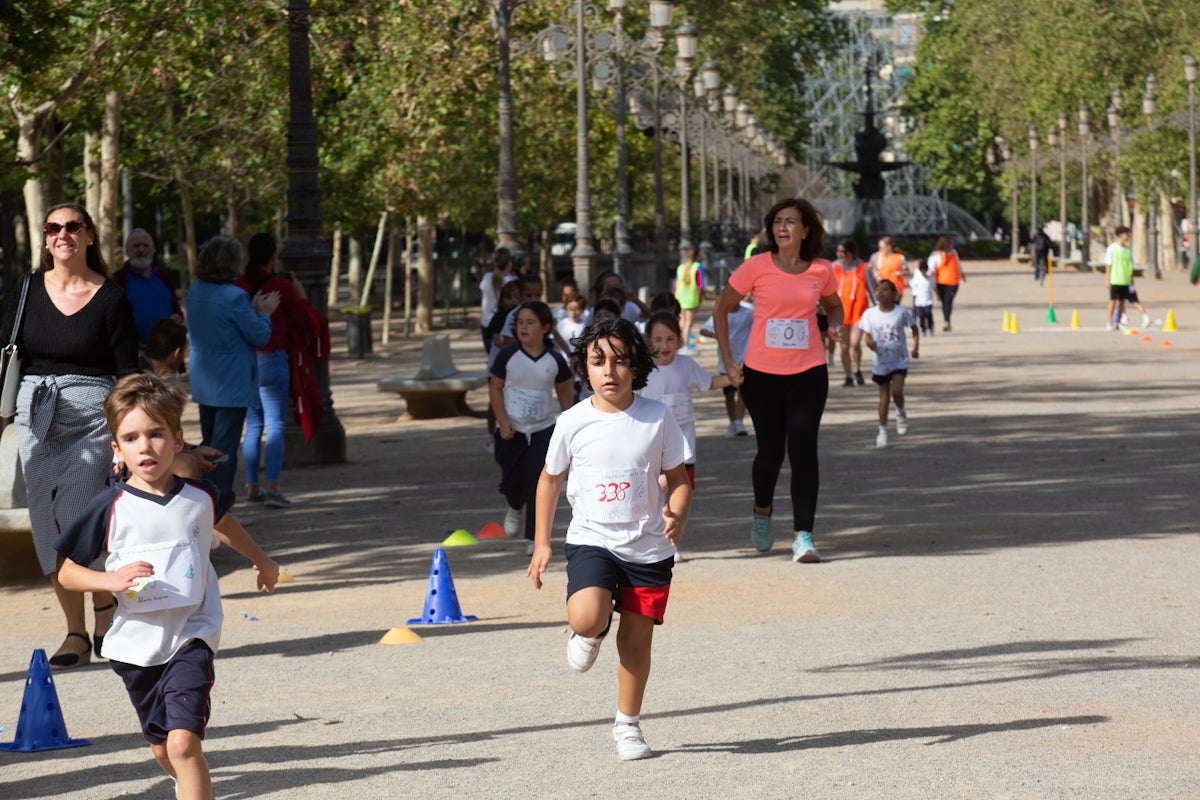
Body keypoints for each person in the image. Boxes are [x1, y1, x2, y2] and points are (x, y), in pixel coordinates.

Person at [54, 372, 279, 800]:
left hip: (192, 633)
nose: (146, 446)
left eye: (156, 434)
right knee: (161, 746)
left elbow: (223, 522)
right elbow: (66, 570)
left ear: (177, 440)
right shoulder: (109, 506)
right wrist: (108, 580)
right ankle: (182, 779)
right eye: (132, 437)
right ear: (116, 450)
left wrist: (262, 560)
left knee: (183, 743)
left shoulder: (200, 496)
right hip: (136, 646)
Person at [526, 317, 691, 761]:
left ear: (636, 366)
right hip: (592, 540)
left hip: (649, 549)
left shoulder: (656, 418)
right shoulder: (572, 421)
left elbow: (679, 478)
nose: (610, 371)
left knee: (636, 644)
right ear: (584, 368)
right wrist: (542, 543)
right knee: (585, 616)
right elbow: (548, 481)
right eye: (598, 362)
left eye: (620, 361)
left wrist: (676, 512)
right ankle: (591, 631)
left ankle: (628, 725)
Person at [1, 202, 140, 669]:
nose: (63, 234)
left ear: (90, 237)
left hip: (92, 420)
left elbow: (126, 374)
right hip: (35, 418)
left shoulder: (112, 297)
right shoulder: (25, 289)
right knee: (48, 527)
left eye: (73, 226)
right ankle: (76, 630)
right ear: (45, 239)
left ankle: (103, 611)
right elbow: (6, 355)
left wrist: (124, 437)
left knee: (80, 518)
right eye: (54, 228)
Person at [714, 198, 843, 563]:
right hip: (761, 374)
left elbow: (834, 304)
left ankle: (803, 535)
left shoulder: (821, 269)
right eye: (777, 222)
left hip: (809, 371)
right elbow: (721, 308)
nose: (782, 228)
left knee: (803, 448)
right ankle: (762, 511)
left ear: (805, 231)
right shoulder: (755, 266)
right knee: (770, 453)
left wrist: (835, 323)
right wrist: (728, 361)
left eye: (790, 222)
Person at [186, 236, 278, 496]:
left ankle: (207, 500)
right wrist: (265, 314)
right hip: (231, 384)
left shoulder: (195, 290)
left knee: (208, 446)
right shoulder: (235, 297)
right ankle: (219, 506)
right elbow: (259, 335)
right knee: (223, 452)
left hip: (205, 380)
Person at [234, 233, 312, 509]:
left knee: (252, 426)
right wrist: (301, 296)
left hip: (247, 361)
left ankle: (252, 486)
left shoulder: (239, 285)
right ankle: (273, 488)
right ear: (273, 257)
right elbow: (302, 321)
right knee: (276, 424)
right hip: (273, 358)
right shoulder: (281, 286)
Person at [490, 301, 574, 553]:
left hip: (543, 430)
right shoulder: (507, 356)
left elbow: (565, 393)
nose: (523, 328)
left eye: (530, 322)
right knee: (512, 483)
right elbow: (494, 388)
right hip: (511, 430)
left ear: (545, 327)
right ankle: (514, 506)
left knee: (537, 482)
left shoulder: (555, 360)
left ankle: (533, 538)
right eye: (520, 323)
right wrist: (502, 421)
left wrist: (568, 428)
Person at [640, 311, 730, 489]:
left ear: (679, 339)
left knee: (682, 489)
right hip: (652, 442)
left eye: (670, 339)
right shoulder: (642, 370)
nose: (664, 345)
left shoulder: (686, 364)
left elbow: (709, 382)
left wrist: (732, 378)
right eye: (658, 339)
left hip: (683, 442)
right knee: (653, 491)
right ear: (649, 340)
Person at [855, 279, 919, 449]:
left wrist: (915, 348)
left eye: (884, 290)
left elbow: (914, 329)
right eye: (877, 290)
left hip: (899, 359)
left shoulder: (901, 312)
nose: (880, 292)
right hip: (881, 361)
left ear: (894, 294)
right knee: (884, 398)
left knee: (897, 391)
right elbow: (867, 335)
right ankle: (882, 432)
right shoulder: (869, 313)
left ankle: (900, 412)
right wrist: (869, 343)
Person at [111, 228, 183, 346]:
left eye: (145, 245)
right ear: (128, 251)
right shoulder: (118, 280)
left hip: (165, 351)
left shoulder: (163, 277)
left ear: (153, 250)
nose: (141, 250)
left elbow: (175, 308)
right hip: (133, 352)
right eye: (136, 246)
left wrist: (178, 317)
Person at [699, 293, 753, 438]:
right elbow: (703, 329)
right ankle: (733, 422)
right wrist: (715, 334)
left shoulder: (748, 312)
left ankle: (740, 422)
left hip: (744, 358)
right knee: (729, 394)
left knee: (742, 391)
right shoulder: (721, 313)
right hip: (726, 360)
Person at [833, 239, 870, 387]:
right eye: (839, 252)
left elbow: (872, 290)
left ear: (852, 253)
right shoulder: (833, 267)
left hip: (858, 311)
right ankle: (848, 376)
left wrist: (878, 308)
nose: (840, 255)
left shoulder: (862, 267)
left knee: (854, 344)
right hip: (840, 313)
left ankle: (857, 369)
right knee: (843, 346)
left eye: (844, 252)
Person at [479, 248, 517, 351]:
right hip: (502, 324)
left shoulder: (486, 277)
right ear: (509, 263)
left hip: (486, 322)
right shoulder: (511, 281)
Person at [927, 235, 965, 332]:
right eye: (951, 244)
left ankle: (946, 321)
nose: (952, 246)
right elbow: (931, 268)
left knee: (948, 301)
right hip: (940, 282)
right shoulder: (935, 255)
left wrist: (962, 273)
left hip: (953, 282)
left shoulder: (954, 253)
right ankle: (946, 319)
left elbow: (958, 264)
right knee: (944, 302)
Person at [673, 246, 704, 349]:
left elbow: (675, 285)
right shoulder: (698, 267)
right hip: (691, 298)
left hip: (680, 298)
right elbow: (700, 286)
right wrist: (701, 300)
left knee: (682, 322)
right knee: (688, 324)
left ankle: (679, 344)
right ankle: (685, 346)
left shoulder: (680, 267)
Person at [1104, 226, 1134, 331]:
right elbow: (1108, 264)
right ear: (1120, 235)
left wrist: (1132, 281)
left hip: (1125, 280)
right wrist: (1107, 279)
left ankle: (1119, 321)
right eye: (1126, 234)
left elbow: (1131, 265)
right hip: (1115, 279)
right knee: (1112, 301)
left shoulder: (1128, 250)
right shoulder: (1112, 248)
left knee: (1122, 302)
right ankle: (1109, 321)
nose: (1128, 236)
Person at [870, 236, 907, 300]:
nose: (880, 250)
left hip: (896, 290)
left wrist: (900, 273)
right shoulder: (880, 258)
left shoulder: (900, 257)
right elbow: (874, 269)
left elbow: (907, 271)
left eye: (881, 248)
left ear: (889, 247)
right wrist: (875, 273)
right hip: (884, 290)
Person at [909, 258, 935, 337]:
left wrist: (938, 296)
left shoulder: (930, 278)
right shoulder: (917, 275)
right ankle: (923, 328)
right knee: (921, 315)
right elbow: (911, 284)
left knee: (928, 313)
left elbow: (934, 286)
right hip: (919, 299)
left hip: (928, 299)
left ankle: (930, 326)